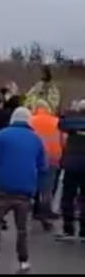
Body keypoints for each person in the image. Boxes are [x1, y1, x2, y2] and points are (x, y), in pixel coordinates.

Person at [0, 107, 45, 274]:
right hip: (25, 190)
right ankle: (23, 261)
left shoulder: (1, 136)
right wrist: (35, 185)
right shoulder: (36, 139)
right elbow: (42, 166)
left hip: (2, 188)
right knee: (22, 228)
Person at [57, 101, 85, 241]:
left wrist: (72, 111)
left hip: (72, 164)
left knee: (68, 196)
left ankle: (68, 228)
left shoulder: (71, 123)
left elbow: (61, 124)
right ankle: (84, 230)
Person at [30, 103, 62, 227]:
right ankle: (45, 211)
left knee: (35, 183)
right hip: (52, 156)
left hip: (34, 156)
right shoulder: (56, 121)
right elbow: (62, 139)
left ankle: (35, 208)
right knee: (48, 187)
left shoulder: (31, 120)